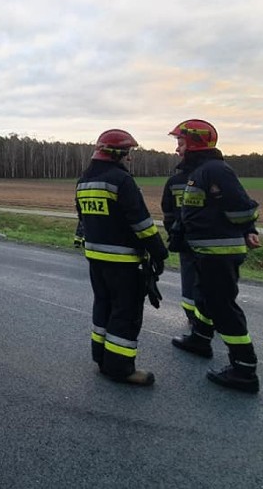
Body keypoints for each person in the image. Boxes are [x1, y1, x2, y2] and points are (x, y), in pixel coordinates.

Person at [167, 119, 262, 393]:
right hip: (204, 252)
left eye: (181, 143)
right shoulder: (200, 172)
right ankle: (200, 339)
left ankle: (244, 369)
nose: (177, 149)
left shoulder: (216, 171)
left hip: (219, 253)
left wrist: (247, 227)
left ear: (194, 144)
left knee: (223, 308)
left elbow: (242, 209)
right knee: (204, 298)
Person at [75, 129, 168, 386]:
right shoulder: (121, 181)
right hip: (124, 261)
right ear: (117, 153)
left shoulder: (83, 180)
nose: (129, 158)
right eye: (127, 152)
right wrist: (159, 251)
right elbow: (141, 223)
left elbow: (83, 219)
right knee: (125, 312)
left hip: (96, 258)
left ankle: (101, 357)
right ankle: (120, 367)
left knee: (103, 304)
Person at [161, 134, 200, 326]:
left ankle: (199, 322)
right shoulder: (174, 181)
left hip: (204, 248)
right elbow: (167, 213)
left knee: (196, 281)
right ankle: (197, 322)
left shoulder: (216, 176)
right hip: (189, 246)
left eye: (181, 144)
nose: (177, 149)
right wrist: (174, 233)